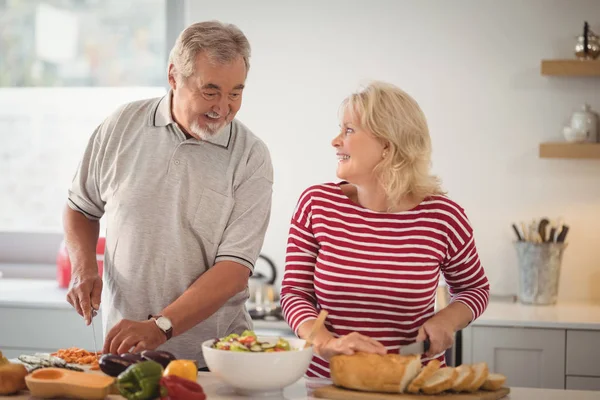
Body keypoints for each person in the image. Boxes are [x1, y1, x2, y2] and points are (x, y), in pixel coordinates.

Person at [64, 21, 273, 370]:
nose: (223, 107)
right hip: (123, 357)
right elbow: (81, 209)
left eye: (235, 92)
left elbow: (233, 270)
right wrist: (83, 268)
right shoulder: (121, 126)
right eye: (210, 91)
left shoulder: (251, 156)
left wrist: (161, 326)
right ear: (174, 77)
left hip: (214, 361)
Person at [280, 81, 490, 378]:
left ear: (387, 146)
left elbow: (474, 289)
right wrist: (325, 342)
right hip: (329, 381)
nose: (335, 141)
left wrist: (446, 320)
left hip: (413, 382)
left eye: (348, 130)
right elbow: (294, 292)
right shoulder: (316, 204)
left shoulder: (444, 217)